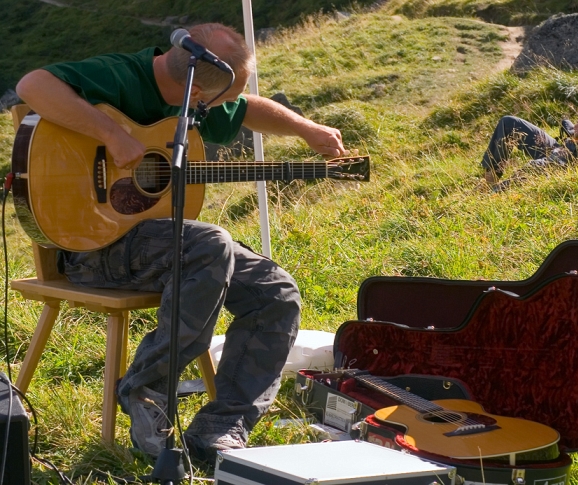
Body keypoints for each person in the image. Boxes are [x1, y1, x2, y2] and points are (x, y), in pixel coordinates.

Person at [15, 23, 347, 464]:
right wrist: (112, 135)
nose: (222, 109)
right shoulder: (122, 76)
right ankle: (146, 394)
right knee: (210, 242)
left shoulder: (197, 98)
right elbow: (32, 85)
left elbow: (247, 109)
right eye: (218, 100)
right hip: (90, 246)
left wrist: (307, 130)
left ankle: (221, 428)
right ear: (194, 90)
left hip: (159, 243)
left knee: (275, 290)